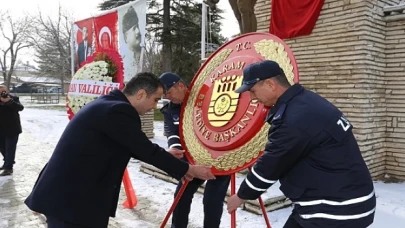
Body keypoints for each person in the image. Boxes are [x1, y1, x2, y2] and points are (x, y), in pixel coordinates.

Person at [24, 72, 216, 228]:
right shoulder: (118, 110)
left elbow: (129, 144)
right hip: (73, 202)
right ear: (141, 94)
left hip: (73, 198)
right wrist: (188, 169)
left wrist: (165, 156)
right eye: (155, 100)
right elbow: (144, 148)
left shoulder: (109, 103)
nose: (154, 107)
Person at [226, 60, 376, 228]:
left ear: (270, 84)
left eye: (253, 91)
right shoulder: (304, 101)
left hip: (336, 209)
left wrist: (241, 196)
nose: (252, 98)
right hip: (341, 198)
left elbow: (271, 166)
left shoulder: (295, 118)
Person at [159, 72, 231, 228]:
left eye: (169, 92)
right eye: (165, 95)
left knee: (212, 199)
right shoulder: (171, 109)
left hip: (219, 158)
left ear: (180, 85)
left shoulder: (206, 96)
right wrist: (175, 147)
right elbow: (172, 131)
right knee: (181, 195)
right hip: (193, 160)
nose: (168, 97)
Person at [0, 85, 24, 176]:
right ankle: (7, 162)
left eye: (4, 92)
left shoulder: (13, 99)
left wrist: (9, 101)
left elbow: (20, 108)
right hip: (1, 129)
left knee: (10, 148)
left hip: (12, 128)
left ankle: (8, 167)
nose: (2, 94)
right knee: (2, 147)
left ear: (7, 92)